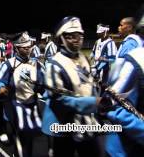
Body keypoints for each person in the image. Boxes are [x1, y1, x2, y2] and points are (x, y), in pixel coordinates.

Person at [42, 17, 105, 157]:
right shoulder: (54, 64)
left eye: (79, 35)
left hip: (87, 122)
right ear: (61, 39)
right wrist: (94, 103)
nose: (77, 39)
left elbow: (89, 85)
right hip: (64, 124)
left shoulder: (83, 57)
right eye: (71, 36)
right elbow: (60, 100)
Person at [98, 13, 144, 156]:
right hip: (126, 145)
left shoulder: (130, 45)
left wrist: (102, 62)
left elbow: (115, 65)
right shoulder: (134, 49)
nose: (119, 27)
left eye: (121, 24)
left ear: (130, 27)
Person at [0, 31, 44, 157]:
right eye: (24, 46)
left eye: (29, 46)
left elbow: (43, 83)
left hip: (32, 106)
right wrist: (0, 88)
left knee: (29, 136)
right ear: (16, 48)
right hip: (15, 105)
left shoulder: (36, 64)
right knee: (21, 134)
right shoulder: (9, 64)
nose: (28, 48)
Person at [90, 24, 117, 92]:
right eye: (98, 33)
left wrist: (104, 59)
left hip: (104, 69)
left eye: (100, 33)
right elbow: (93, 52)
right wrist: (90, 57)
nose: (98, 34)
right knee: (93, 83)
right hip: (95, 66)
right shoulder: (97, 41)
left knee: (102, 85)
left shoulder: (110, 43)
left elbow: (113, 59)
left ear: (105, 32)